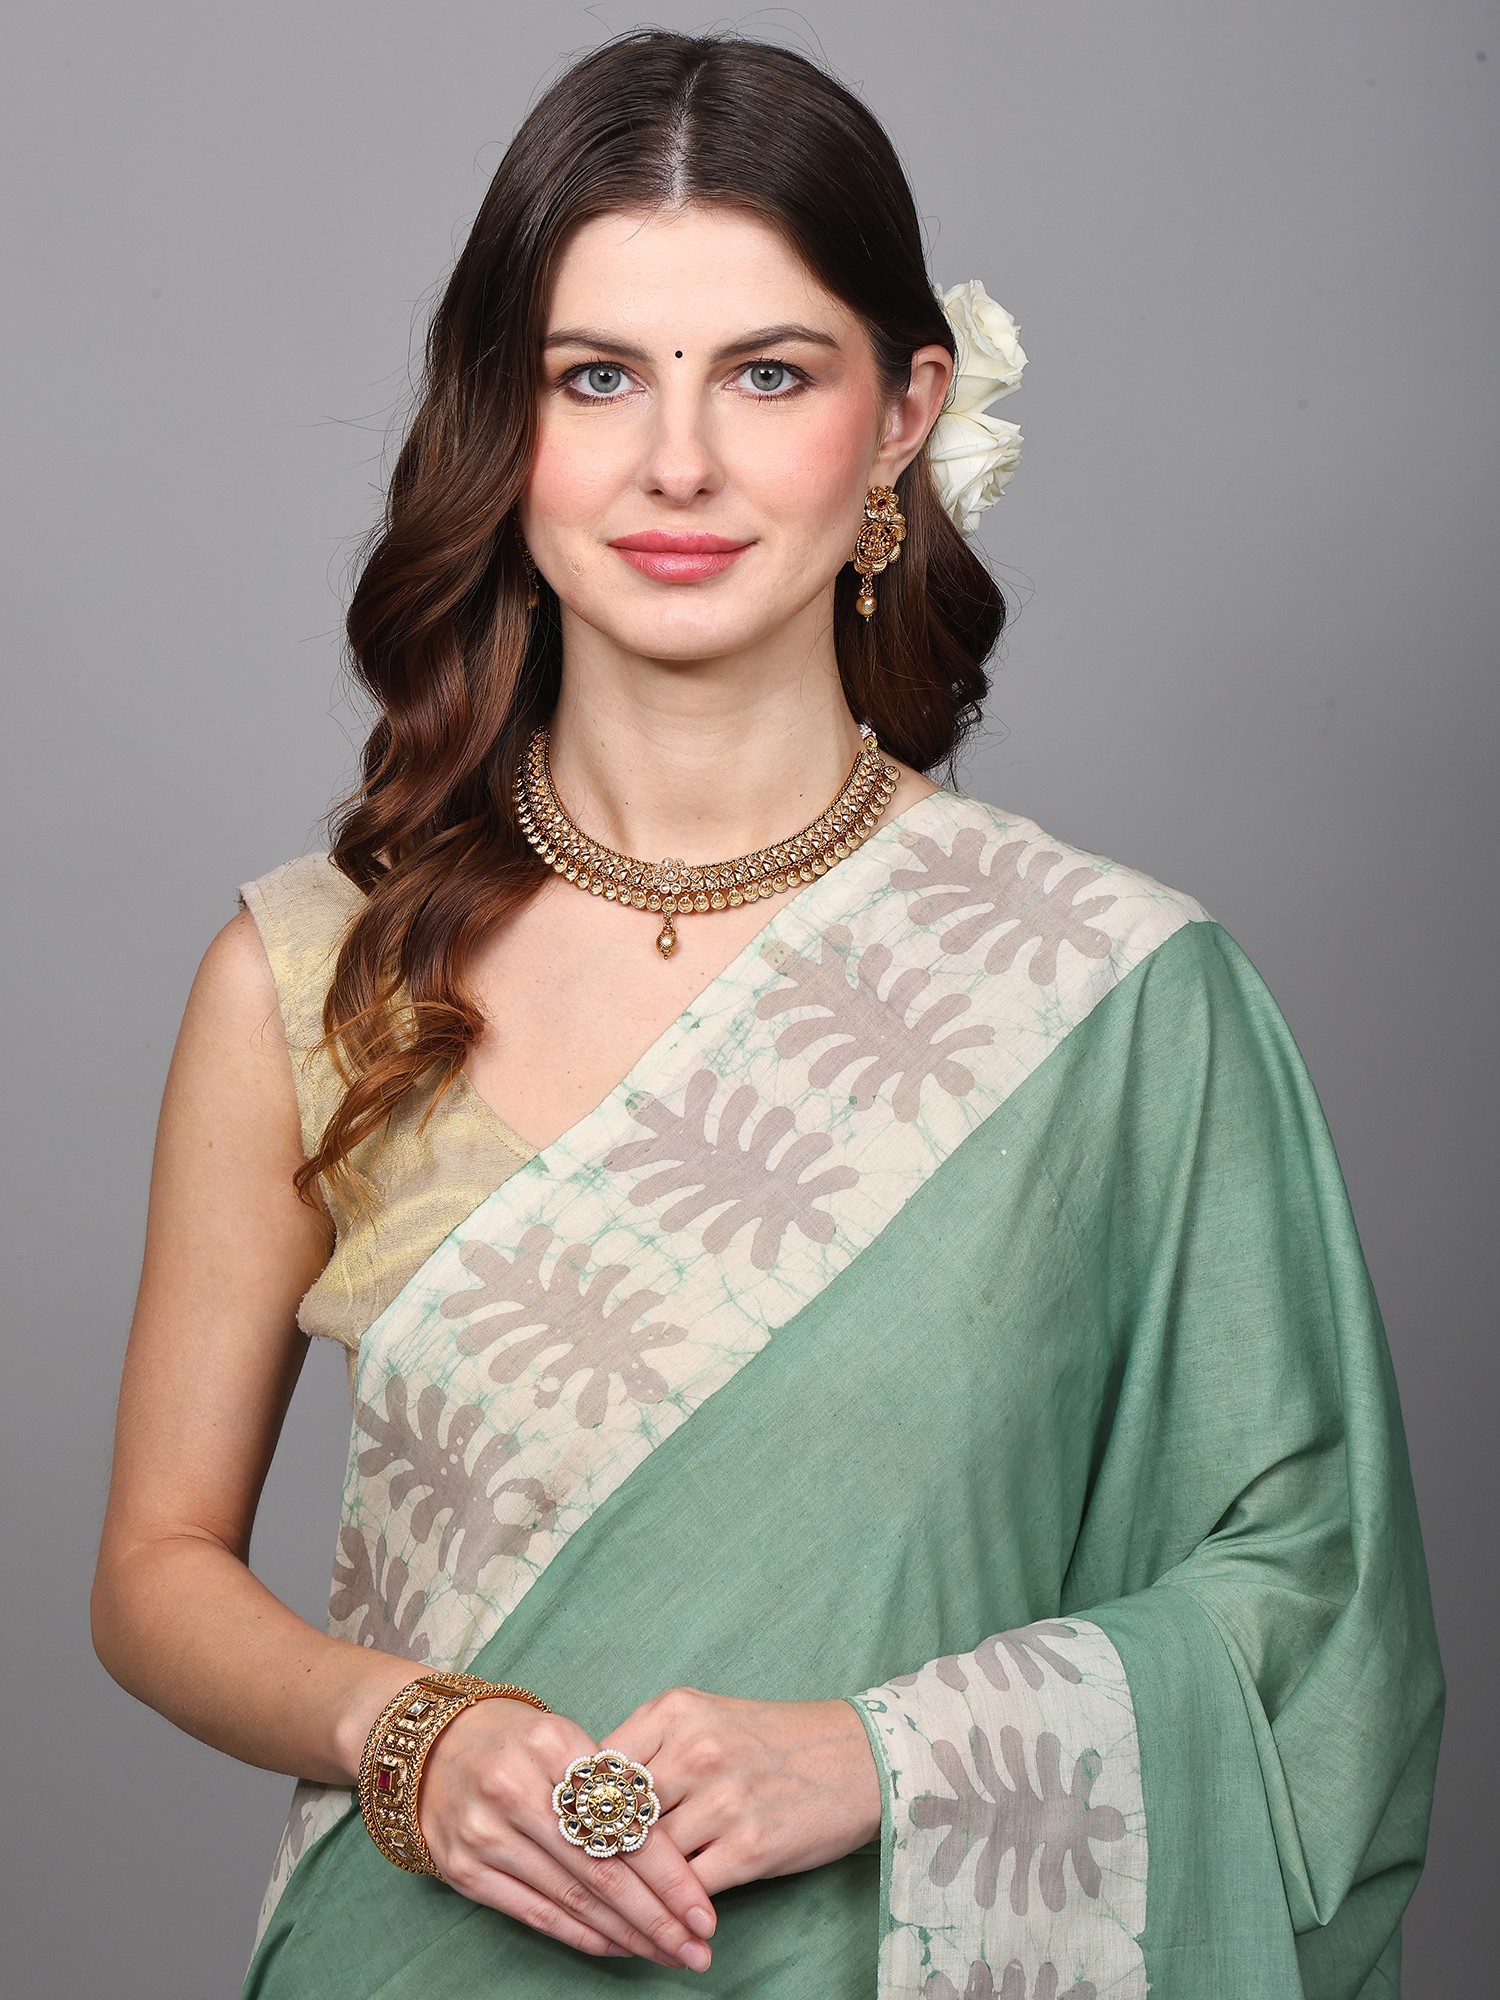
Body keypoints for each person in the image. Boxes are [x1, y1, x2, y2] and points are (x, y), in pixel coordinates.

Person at [89, 27, 1444, 2000]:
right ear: (504, 421)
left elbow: (1314, 1614)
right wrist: (407, 1733)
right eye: (597, 377)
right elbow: (154, 1575)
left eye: (769, 374)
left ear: (905, 415)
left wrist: (882, 1757)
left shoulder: (1117, 1001)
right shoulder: (317, 970)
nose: (679, 464)